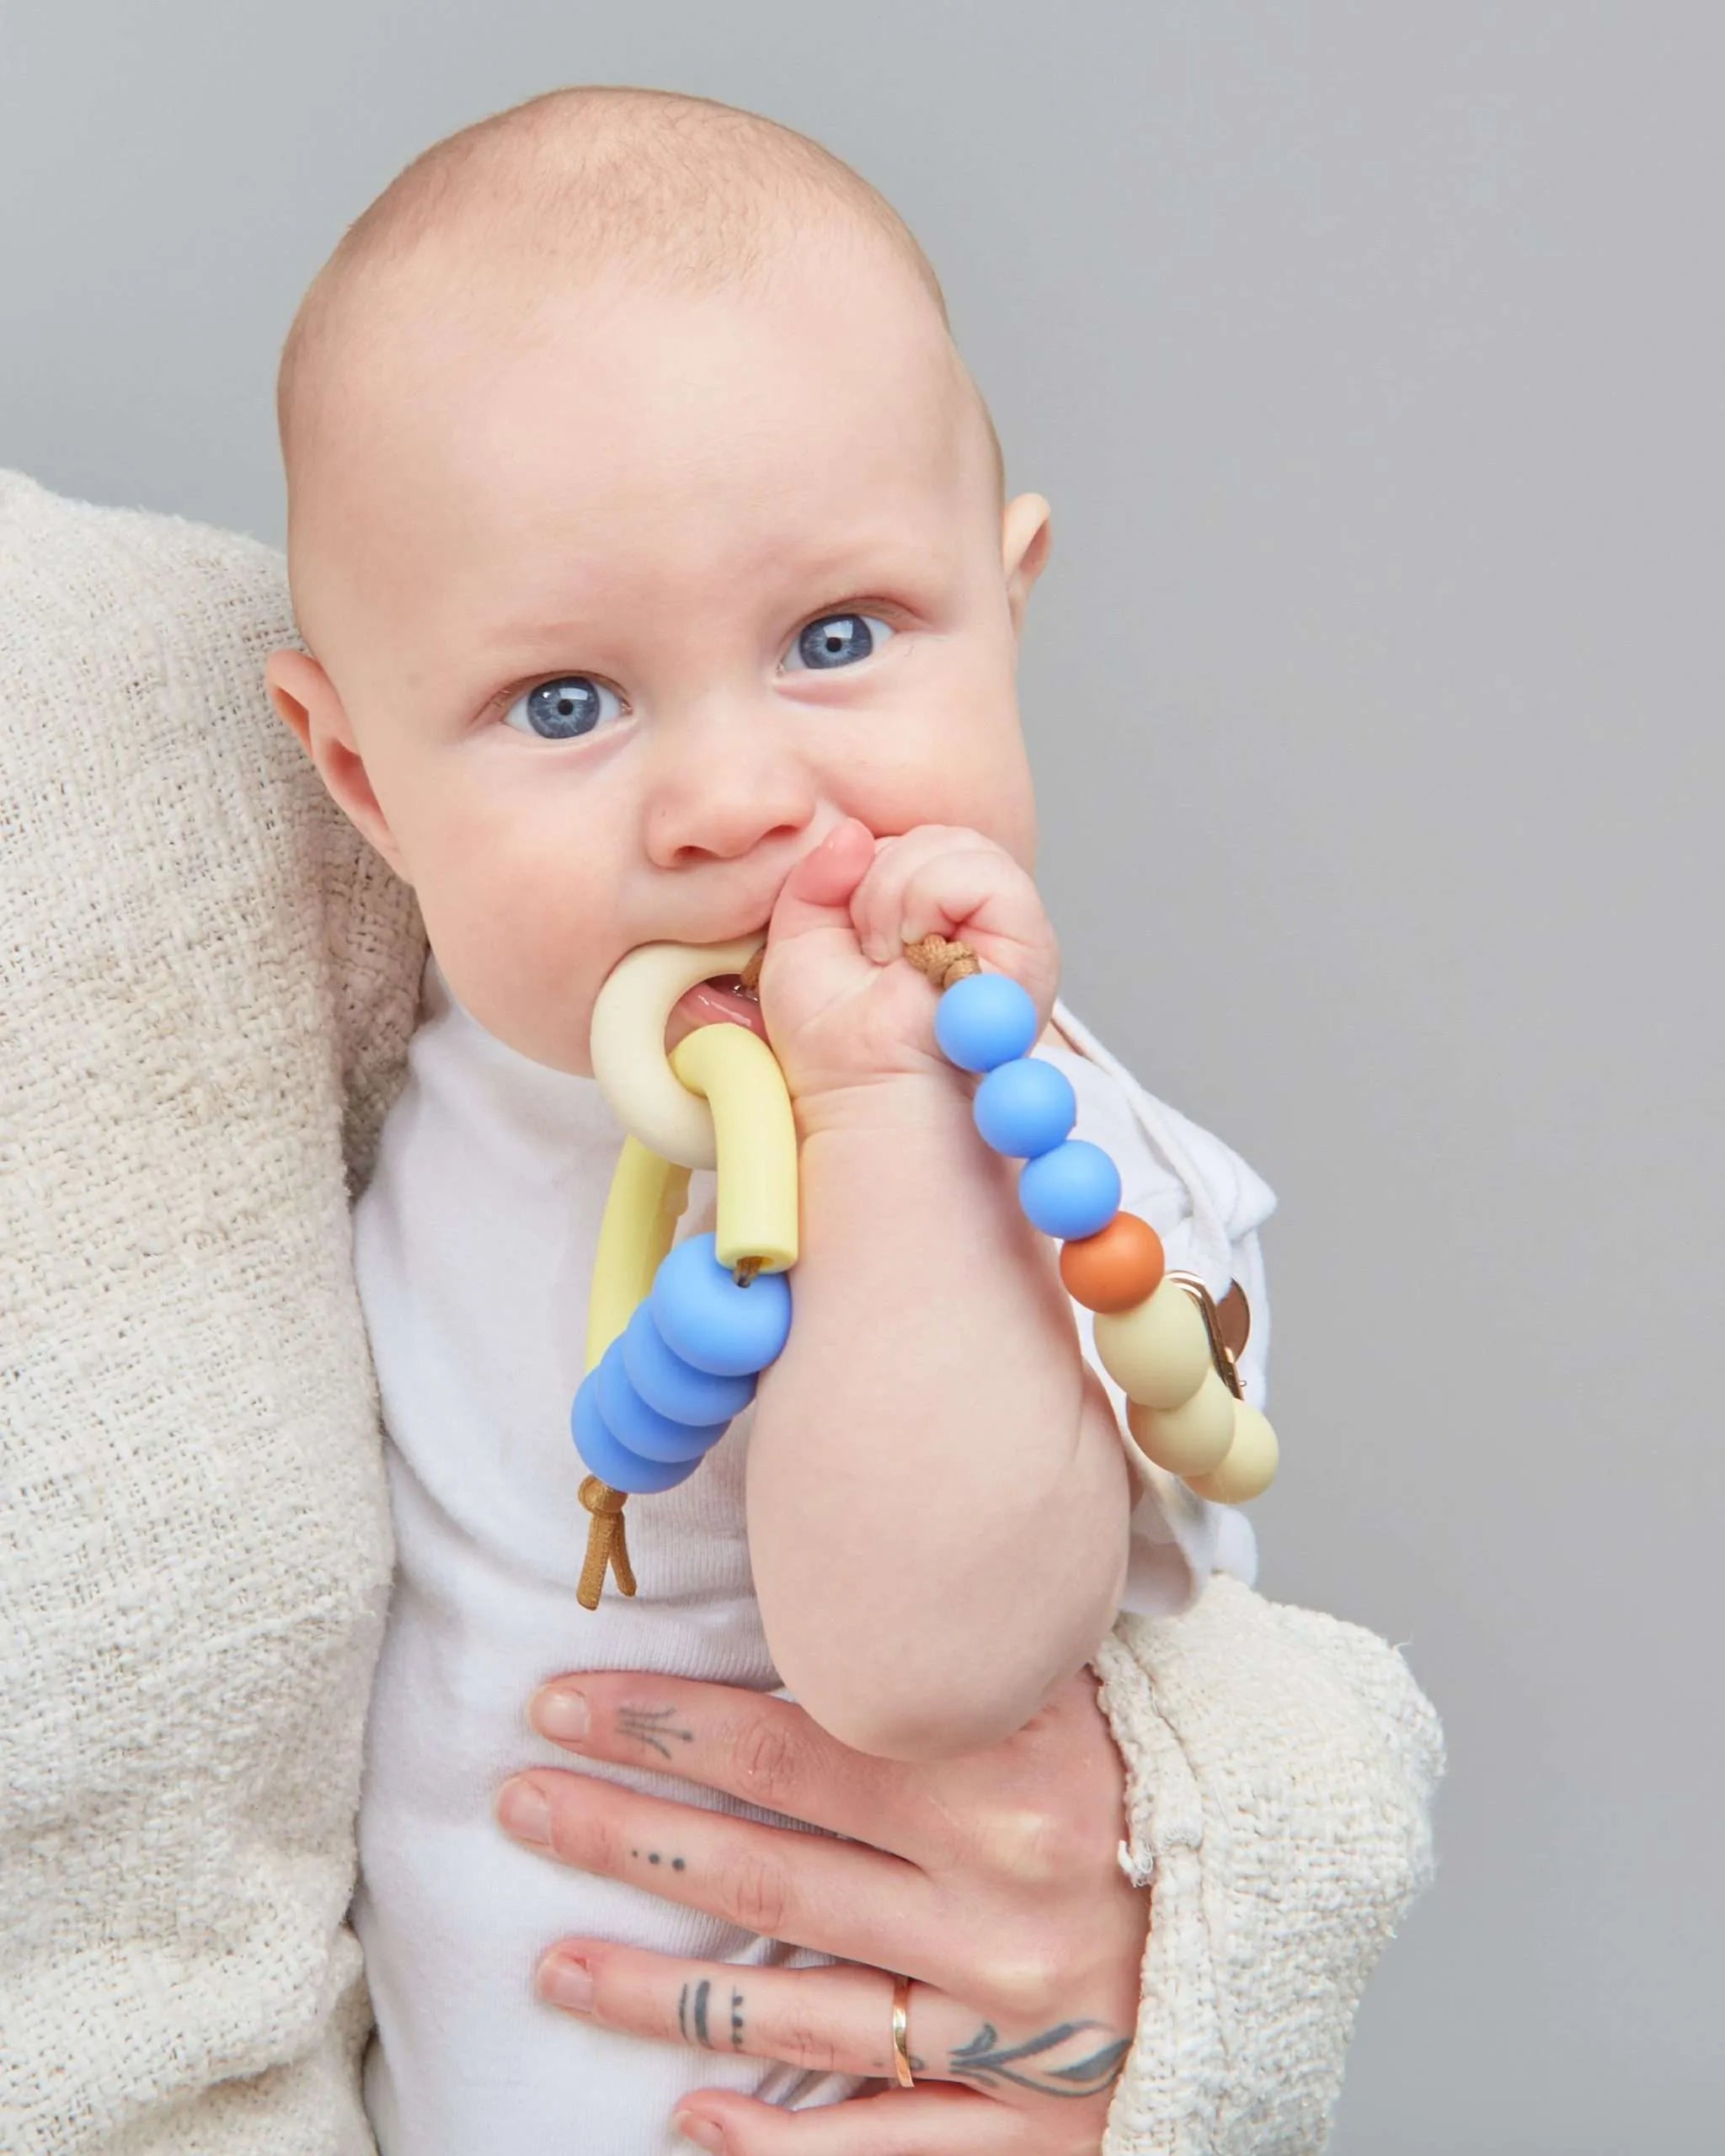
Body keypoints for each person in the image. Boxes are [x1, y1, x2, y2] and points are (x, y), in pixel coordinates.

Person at [1, 109, 1441, 2156]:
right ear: (362, 779)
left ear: (1005, 604)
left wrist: (881, 1115)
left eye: (836, 639)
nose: (735, 797)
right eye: (566, 702)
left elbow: (930, 1660)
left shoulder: (1014, 1124)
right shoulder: (433, 1060)